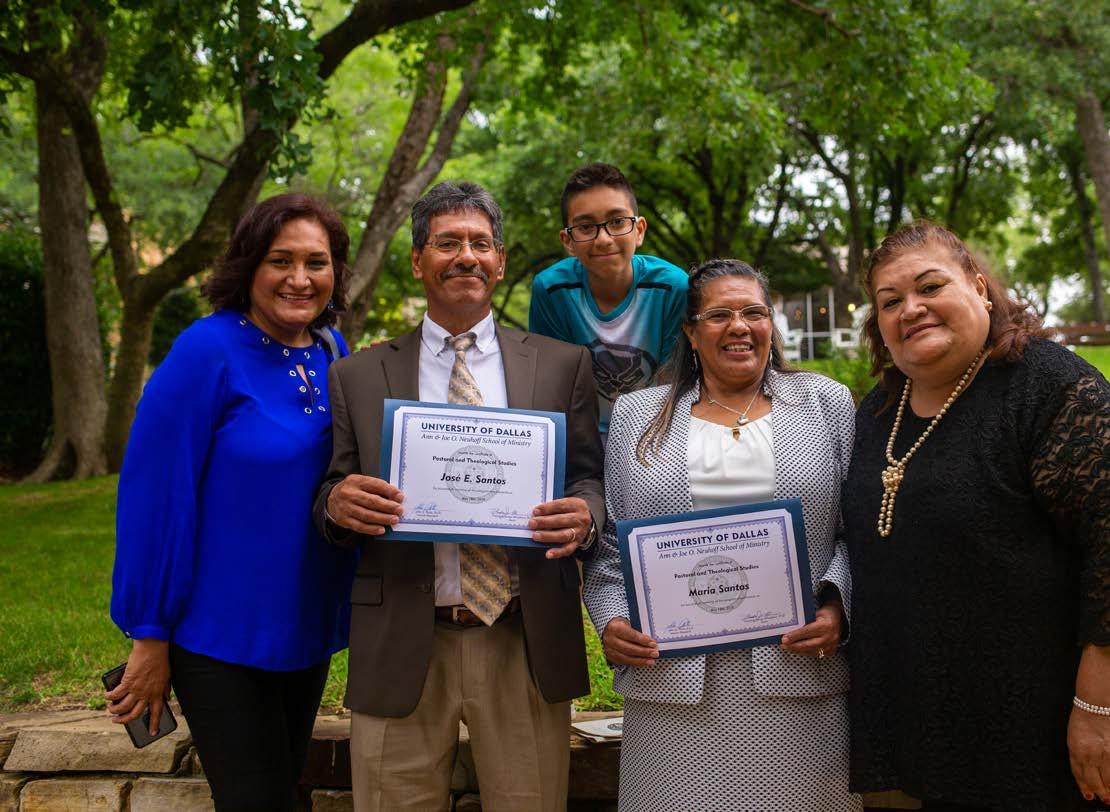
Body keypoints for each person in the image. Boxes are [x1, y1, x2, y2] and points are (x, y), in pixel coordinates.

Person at [842, 221, 1110, 810]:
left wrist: (1100, 710)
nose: (912, 309)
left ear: (979, 288)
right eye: (890, 301)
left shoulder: (1048, 387)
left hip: (1040, 729)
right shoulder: (881, 409)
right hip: (923, 726)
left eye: (930, 287)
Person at [313, 181, 605, 812]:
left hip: (523, 637)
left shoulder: (561, 366)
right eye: (447, 243)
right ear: (418, 261)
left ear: (500, 261)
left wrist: (584, 517)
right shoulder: (358, 375)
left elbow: (587, 476)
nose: (466, 256)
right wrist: (339, 504)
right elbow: (330, 489)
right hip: (402, 637)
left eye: (480, 243)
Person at [108, 193, 357, 811]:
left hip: (305, 626)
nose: (300, 279)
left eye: (317, 262)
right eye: (281, 260)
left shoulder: (333, 350)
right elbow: (155, 497)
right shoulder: (205, 352)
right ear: (248, 265)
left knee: (285, 790)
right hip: (217, 635)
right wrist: (149, 634)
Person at [584, 259, 862, 811]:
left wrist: (836, 608)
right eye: (719, 315)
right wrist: (613, 621)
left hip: (800, 681)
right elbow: (613, 546)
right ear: (690, 331)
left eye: (754, 312)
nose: (739, 326)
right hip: (671, 693)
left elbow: (857, 534)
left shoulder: (825, 404)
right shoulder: (636, 415)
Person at [528, 162, 688, 434]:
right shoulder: (551, 290)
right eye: (586, 227)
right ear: (567, 241)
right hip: (580, 438)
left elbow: (671, 387)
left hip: (657, 433)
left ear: (639, 230)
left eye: (617, 222)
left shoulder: (673, 287)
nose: (603, 239)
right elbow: (555, 386)